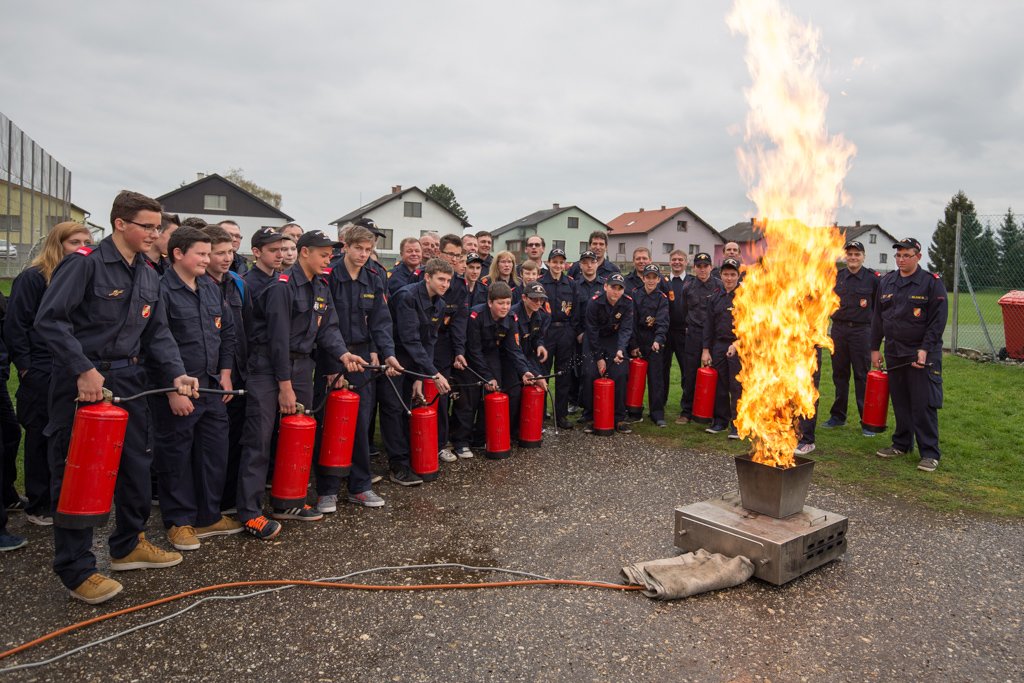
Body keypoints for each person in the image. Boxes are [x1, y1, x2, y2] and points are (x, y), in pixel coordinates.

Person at [35, 190, 200, 605]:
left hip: (129, 378)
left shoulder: (148, 272)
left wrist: (177, 372)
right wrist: (82, 369)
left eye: (158, 227)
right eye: (147, 226)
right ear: (120, 224)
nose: (155, 233)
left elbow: (157, 332)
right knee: (80, 472)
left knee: (135, 464)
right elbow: (50, 321)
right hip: (84, 380)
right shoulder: (85, 263)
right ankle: (76, 569)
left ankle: (128, 544)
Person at [237, 230, 366, 539]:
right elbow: (277, 340)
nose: (328, 260)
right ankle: (250, 512)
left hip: (301, 366)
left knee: (298, 435)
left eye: (330, 255)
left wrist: (343, 354)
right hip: (269, 368)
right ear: (304, 252)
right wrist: (284, 386)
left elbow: (328, 328)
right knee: (259, 441)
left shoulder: (321, 286)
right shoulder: (282, 287)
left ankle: (289, 500)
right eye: (323, 254)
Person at [152, 228, 241, 551]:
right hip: (179, 388)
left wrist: (225, 374)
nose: (207, 260)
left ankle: (208, 516)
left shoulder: (210, 288)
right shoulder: (161, 290)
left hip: (211, 387)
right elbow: (154, 342)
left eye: (208, 253)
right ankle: (179, 522)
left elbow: (227, 333)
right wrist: (171, 390)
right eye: (201, 254)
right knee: (176, 457)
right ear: (178, 254)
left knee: (213, 453)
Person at [5, 222, 93, 526]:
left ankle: (62, 498)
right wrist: (26, 367)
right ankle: (39, 502)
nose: (81, 247)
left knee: (64, 437)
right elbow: (16, 325)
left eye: (86, 241)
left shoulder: (82, 276)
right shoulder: (34, 277)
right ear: (58, 244)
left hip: (69, 364)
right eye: (74, 242)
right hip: (41, 366)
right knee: (40, 434)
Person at [314, 224, 403, 511]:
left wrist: (388, 354)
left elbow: (381, 321)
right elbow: (324, 325)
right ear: (346, 247)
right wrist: (333, 365)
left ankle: (360, 485)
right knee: (331, 423)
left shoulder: (374, 277)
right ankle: (327, 489)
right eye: (358, 249)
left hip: (362, 357)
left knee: (361, 422)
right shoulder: (328, 276)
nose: (363, 254)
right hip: (332, 355)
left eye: (368, 249)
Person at [871, 237, 948, 472]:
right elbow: (878, 318)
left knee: (923, 403)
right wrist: (874, 348)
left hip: (921, 353)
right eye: (898, 255)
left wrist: (925, 349)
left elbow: (937, 321)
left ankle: (930, 453)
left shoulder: (931, 283)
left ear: (918, 257)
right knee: (900, 401)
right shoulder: (887, 282)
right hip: (895, 351)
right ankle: (901, 444)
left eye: (907, 255)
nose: (901, 259)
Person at [384, 258, 454, 483]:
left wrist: (421, 377)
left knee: (407, 408)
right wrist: (433, 374)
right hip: (393, 357)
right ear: (427, 277)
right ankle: (398, 465)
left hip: (415, 360)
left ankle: (409, 457)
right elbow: (410, 339)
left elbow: (429, 341)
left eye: (448, 280)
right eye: (441, 279)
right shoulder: (407, 296)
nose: (445, 284)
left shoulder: (440, 304)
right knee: (394, 409)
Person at [202, 225, 249, 515]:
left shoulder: (237, 283)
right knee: (211, 444)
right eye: (220, 253)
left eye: (230, 252)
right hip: (209, 373)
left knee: (234, 439)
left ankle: (228, 499)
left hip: (237, 370)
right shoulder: (197, 284)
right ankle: (208, 503)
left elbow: (244, 328)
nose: (227, 258)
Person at [463, 282, 537, 451]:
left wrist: (524, 371)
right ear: (490, 302)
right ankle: (471, 439)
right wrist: (487, 376)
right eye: (500, 303)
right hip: (471, 357)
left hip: (493, 354)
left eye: (508, 303)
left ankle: (498, 433)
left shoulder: (511, 318)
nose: (505, 307)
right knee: (473, 397)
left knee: (504, 390)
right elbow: (474, 350)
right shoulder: (476, 316)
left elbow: (514, 348)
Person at [824, 240, 880, 435]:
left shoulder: (873, 279)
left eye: (857, 254)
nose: (853, 257)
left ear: (863, 257)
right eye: (850, 254)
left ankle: (867, 421)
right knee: (839, 375)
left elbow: (879, 309)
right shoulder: (837, 277)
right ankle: (838, 416)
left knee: (862, 375)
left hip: (861, 332)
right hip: (839, 331)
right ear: (845, 256)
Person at [431, 235, 470, 464]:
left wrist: (459, 351)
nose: (454, 259)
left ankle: (439, 444)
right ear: (439, 253)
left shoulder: (459, 286)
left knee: (442, 395)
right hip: (421, 343)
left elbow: (459, 322)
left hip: (443, 345)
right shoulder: (425, 278)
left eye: (457, 255)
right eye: (450, 254)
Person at [581, 273, 635, 434]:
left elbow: (626, 329)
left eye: (620, 288)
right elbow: (591, 331)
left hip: (614, 340)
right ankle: (590, 416)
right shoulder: (594, 302)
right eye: (613, 287)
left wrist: (620, 350)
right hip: (594, 339)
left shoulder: (627, 302)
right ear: (605, 287)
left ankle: (619, 418)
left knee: (620, 373)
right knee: (590, 374)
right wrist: (599, 358)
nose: (616, 292)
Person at [676, 253, 723, 425]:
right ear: (694, 268)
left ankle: (712, 412)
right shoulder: (688, 287)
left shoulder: (719, 285)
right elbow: (683, 310)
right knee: (689, 374)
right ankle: (686, 412)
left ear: (711, 267)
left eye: (705, 266)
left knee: (715, 373)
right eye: (699, 266)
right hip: (694, 334)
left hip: (714, 336)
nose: (702, 270)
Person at [701, 258, 742, 438]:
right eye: (726, 274)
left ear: (738, 276)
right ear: (721, 275)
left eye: (732, 274)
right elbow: (708, 325)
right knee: (720, 385)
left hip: (739, 345)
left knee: (737, 386)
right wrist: (706, 350)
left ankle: (738, 425)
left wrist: (738, 343)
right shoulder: (715, 296)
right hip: (719, 345)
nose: (729, 278)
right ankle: (720, 421)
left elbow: (751, 325)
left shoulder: (746, 296)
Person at [538, 248, 577, 429]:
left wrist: (571, 331)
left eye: (561, 262)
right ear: (549, 262)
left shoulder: (571, 283)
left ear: (565, 264)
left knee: (563, 375)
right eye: (555, 262)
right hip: (546, 333)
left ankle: (561, 415)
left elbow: (576, 310)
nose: (558, 265)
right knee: (543, 373)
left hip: (565, 332)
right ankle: (540, 413)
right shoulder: (540, 282)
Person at [628, 264, 669, 427]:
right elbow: (631, 321)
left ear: (658, 279)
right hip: (638, 339)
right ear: (643, 278)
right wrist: (633, 344)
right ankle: (633, 411)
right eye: (648, 277)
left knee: (656, 379)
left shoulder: (662, 298)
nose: (651, 280)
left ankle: (657, 414)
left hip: (654, 341)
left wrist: (658, 340)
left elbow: (663, 322)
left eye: (654, 277)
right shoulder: (635, 294)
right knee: (635, 378)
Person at [571, 251, 606, 417]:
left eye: (592, 262)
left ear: (597, 263)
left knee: (601, 370)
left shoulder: (605, 285)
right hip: (583, 335)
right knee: (584, 371)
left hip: (603, 335)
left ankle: (601, 405)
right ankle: (584, 407)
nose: (589, 265)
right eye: (585, 262)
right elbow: (572, 312)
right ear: (580, 265)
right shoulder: (574, 286)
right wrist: (578, 332)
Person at [663, 249, 689, 420]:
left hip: (684, 333)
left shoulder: (691, 281)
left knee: (687, 371)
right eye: (674, 259)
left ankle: (686, 408)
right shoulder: (663, 281)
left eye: (680, 259)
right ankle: (660, 403)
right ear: (670, 262)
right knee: (662, 370)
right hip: (665, 332)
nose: (677, 262)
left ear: (686, 262)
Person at [245, 227, 292, 302]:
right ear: (256, 252)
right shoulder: (244, 284)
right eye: (273, 250)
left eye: (282, 249)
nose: (280, 255)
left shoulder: (284, 280)